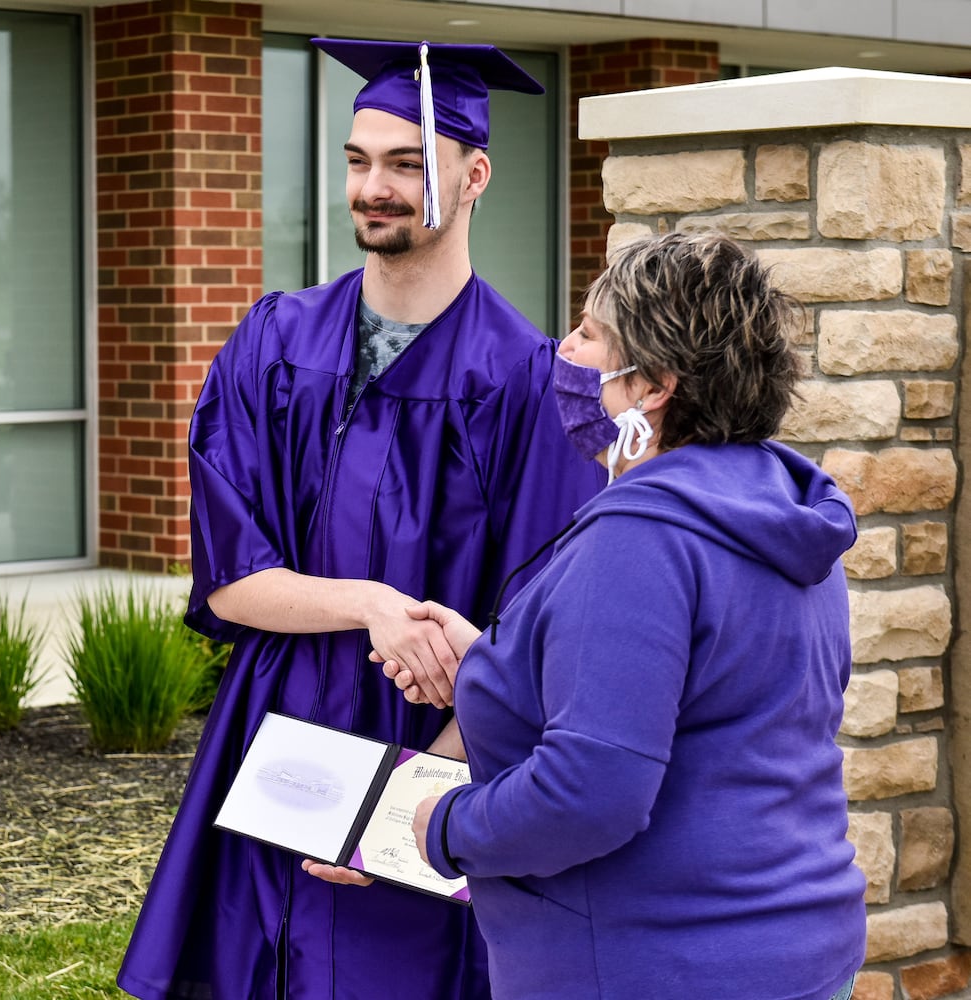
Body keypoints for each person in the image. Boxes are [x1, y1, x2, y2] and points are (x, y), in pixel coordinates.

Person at [116, 37, 604, 1000]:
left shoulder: (531, 384)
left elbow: (538, 639)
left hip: (435, 746)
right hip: (278, 732)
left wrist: (404, 805)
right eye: (358, 160)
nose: (374, 187)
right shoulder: (273, 346)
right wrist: (376, 604)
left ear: (475, 174)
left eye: (406, 162)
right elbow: (233, 579)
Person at [396, 232, 867, 1000]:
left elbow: (590, 793)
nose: (565, 349)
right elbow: (715, 710)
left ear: (652, 386)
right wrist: (495, 662)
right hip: (799, 944)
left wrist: (444, 826)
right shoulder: (782, 513)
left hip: (654, 965)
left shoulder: (640, 540)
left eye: (588, 332)